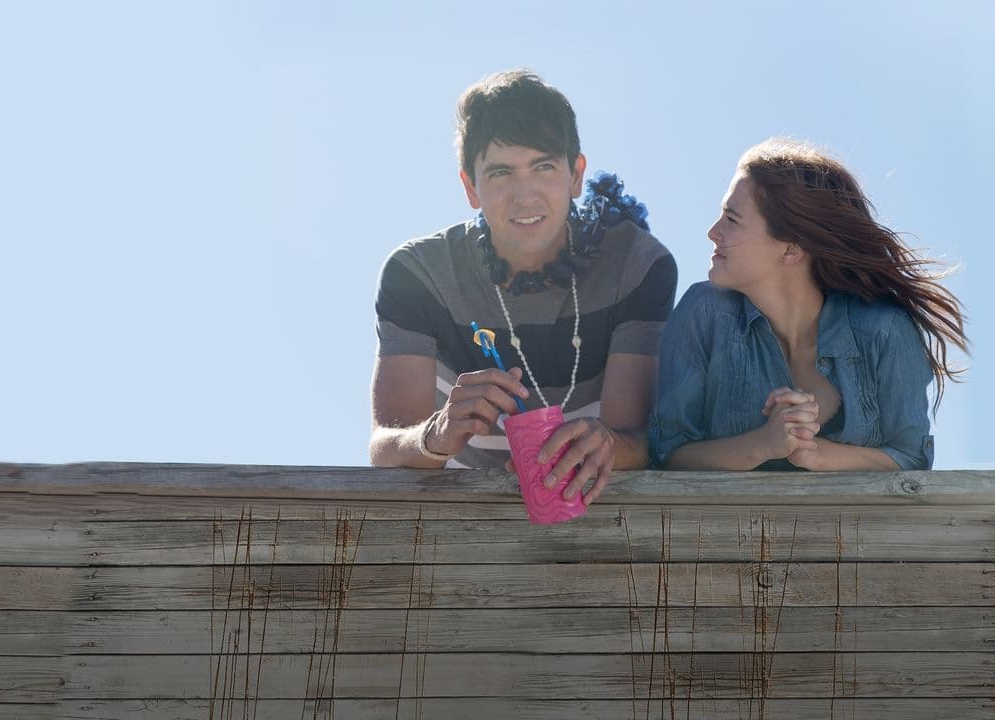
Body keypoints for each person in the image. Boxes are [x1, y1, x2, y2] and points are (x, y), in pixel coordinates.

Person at [369, 69, 676, 504]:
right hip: (458, 514)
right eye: (500, 173)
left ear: (576, 175)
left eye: (543, 166)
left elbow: (638, 439)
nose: (524, 195)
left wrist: (608, 442)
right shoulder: (418, 274)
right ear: (470, 186)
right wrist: (433, 436)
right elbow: (384, 447)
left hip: (599, 512)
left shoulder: (634, 264)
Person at [649, 138, 968, 471]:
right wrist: (762, 445)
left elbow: (912, 461)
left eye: (732, 219)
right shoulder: (703, 312)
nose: (712, 232)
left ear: (790, 249)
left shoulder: (884, 331)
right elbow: (668, 453)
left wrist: (817, 453)